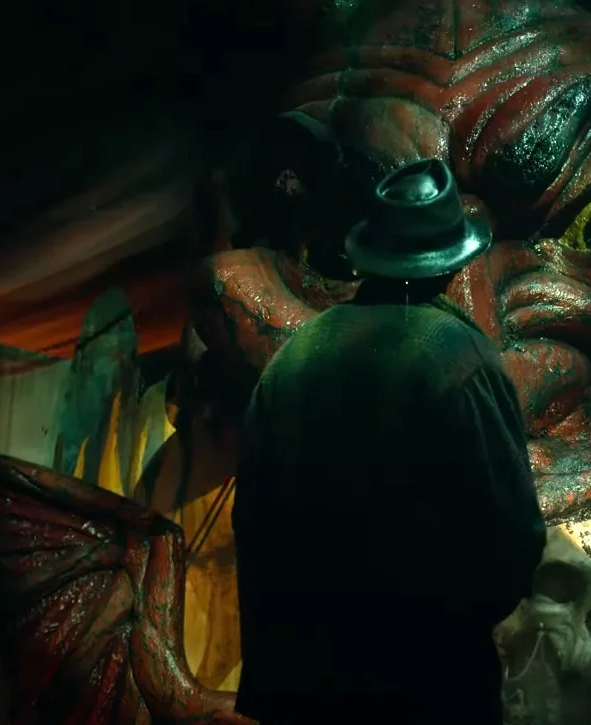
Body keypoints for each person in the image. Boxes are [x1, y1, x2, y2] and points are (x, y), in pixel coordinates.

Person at [232, 158, 547, 725]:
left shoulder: (292, 358)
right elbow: (512, 542)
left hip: (292, 688)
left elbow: (250, 525)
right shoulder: (462, 359)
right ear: (454, 263)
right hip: (423, 690)